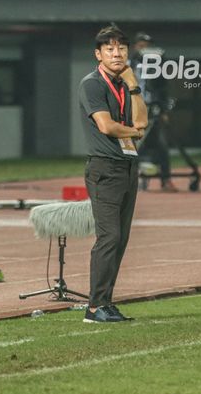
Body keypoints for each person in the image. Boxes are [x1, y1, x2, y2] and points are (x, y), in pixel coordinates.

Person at [78, 24, 148, 323]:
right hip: (105, 169)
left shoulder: (123, 85)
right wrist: (133, 131)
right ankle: (94, 307)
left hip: (127, 166)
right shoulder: (93, 84)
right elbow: (107, 126)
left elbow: (142, 121)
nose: (116, 53)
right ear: (99, 54)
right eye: (109, 48)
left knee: (121, 239)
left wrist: (133, 87)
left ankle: (106, 301)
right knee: (109, 236)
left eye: (121, 47)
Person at [131, 32, 179, 193]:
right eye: (141, 45)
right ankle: (131, 180)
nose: (145, 48)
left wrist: (163, 109)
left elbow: (162, 87)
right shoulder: (127, 64)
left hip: (151, 109)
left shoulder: (156, 66)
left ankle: (166, 180)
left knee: (161, 144)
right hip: (132, 110)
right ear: (135, 46)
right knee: (133, 145)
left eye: (147, 45)